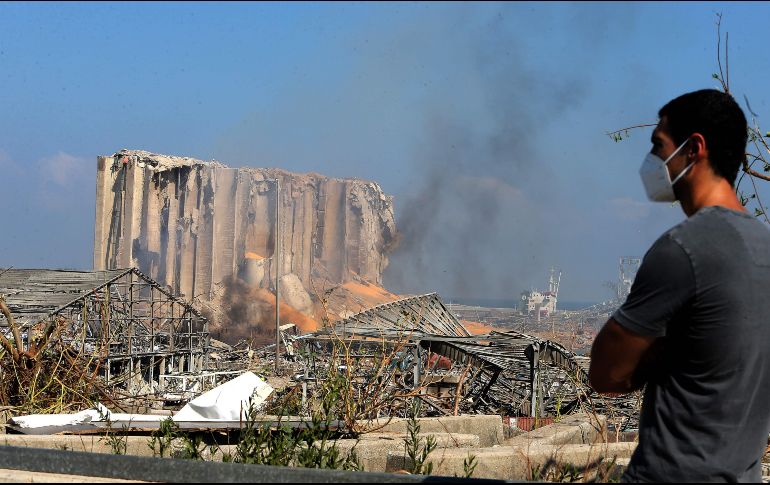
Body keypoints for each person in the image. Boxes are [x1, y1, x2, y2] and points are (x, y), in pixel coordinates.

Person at [589, 89, 770, 483]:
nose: (653, 161)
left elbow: (605, 373)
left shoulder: (684, 249)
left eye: (659, 145)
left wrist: (656, 355)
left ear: (694, 148)